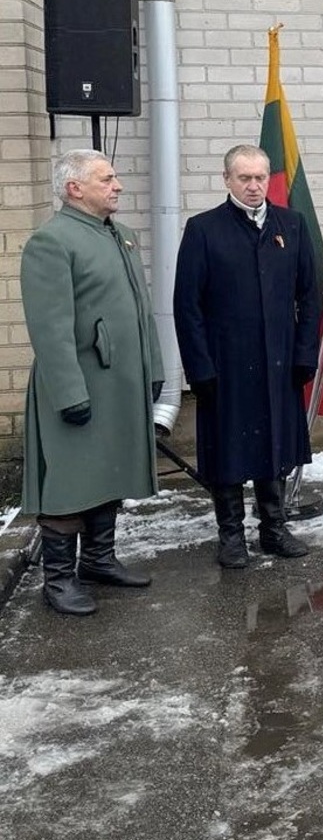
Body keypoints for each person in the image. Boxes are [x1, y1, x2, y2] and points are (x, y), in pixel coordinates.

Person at [20, 149, 164, 616]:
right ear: (74, 188)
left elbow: (142, 312)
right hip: (79, 386)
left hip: (118, 382)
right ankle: (58, 580)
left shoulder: (121, 236)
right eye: (107, 178)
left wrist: (154, 368)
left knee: (110, 471)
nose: (117, 185)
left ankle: (99, 560)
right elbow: (50, 327)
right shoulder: (51, 241)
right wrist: (68, 392)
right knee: (70, 480)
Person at [174, 144, 321, 568]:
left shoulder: (290, 225)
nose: (254, 186)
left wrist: (304, 354)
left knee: (274, 444)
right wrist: (199, 367)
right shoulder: (203, 229)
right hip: (226, 365)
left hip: (278, 363)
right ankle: (232, 535)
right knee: (228, 449)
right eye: (244, 178)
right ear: (227, 180)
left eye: (260, 177)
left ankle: (273, 527)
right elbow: (188, 306)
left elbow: (308, 297)